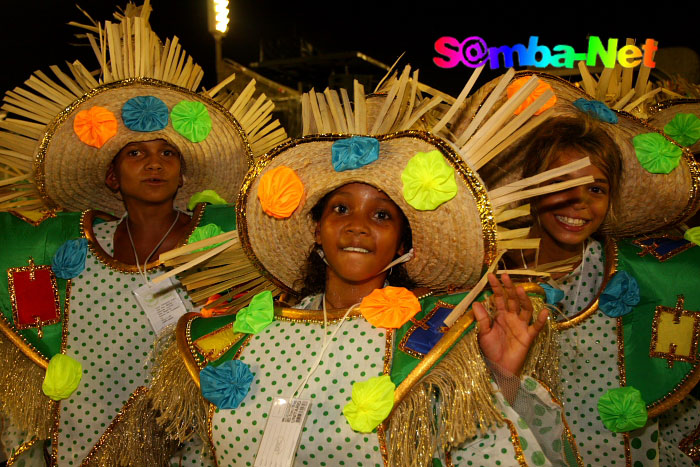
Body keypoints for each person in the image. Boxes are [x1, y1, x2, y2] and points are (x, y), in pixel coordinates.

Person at [144, 76, 596, 466]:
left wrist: (501, 376)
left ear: (403, 244)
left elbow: (484, 453)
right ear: (316, 230)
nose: (358, 225)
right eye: (341, 208)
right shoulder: (245, 335)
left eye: (381, 215)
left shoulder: (441, 344)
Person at [0, 4, 286, 465]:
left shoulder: (221, 245)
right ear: (112, 177)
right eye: (135, 153)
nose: (154, 164)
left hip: (195, 445)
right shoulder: (74, 251)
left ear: (181, 173)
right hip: (86, 437)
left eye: (167, 153)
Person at [476, 72, 700, 466]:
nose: (579, 202)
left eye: (596, 188)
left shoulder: (643, 275)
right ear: (530, 187)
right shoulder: (485, 278)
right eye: (561, 182)